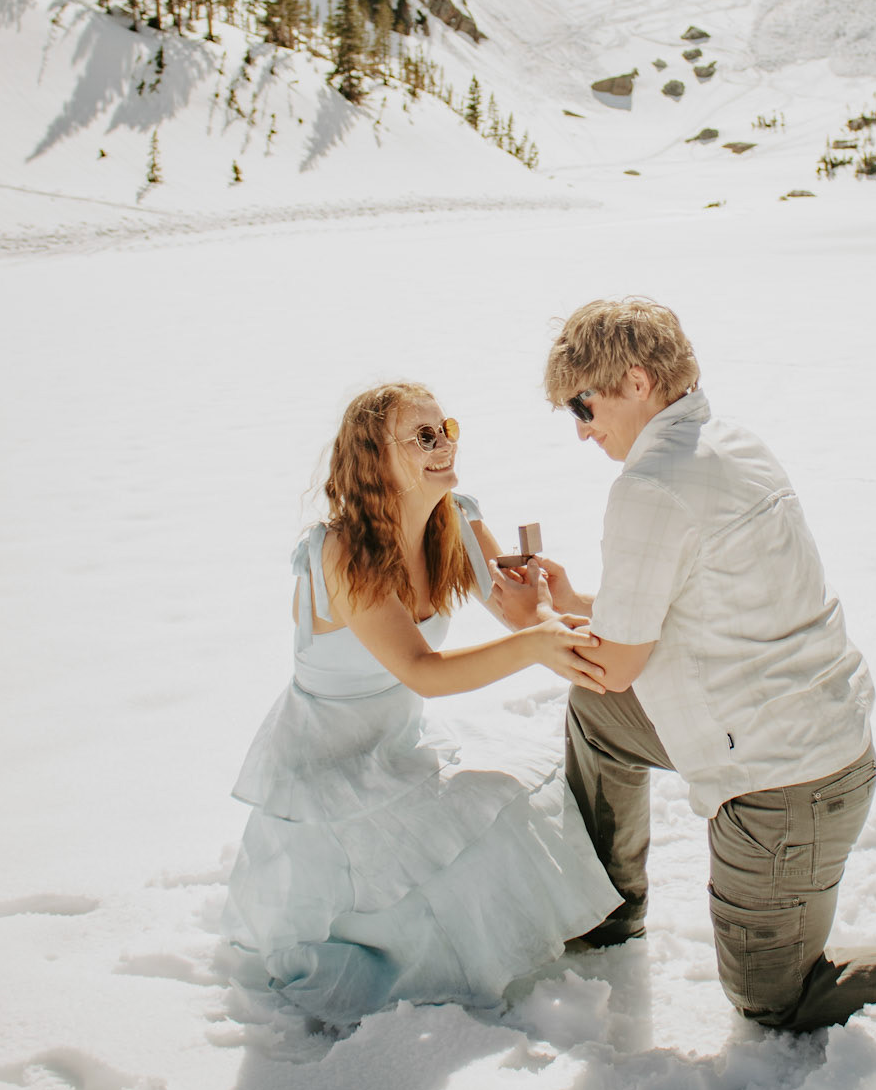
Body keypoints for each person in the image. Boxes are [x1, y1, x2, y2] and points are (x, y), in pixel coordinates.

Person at [489, 298, 876, 1035]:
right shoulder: (729, 444)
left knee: (773, 998)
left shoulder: (649, 485)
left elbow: (618, 666)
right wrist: (570, 603)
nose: (581, 429)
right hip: (814, 745)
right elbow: (680, 610)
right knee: (600, 718)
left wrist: (530, 626)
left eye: (583, 404)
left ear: (635, 381)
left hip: (784, 789)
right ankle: (607, 914)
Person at [221, 381, 619, 1031]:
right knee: (441, 875)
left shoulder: (455, 517)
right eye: (424, 436)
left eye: (447, 429)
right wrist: (536, 645)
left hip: (399, 737)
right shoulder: (343, 550)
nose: (444, 445)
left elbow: (520, 615)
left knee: (522, 795)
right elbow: (422, 672)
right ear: (375, 459)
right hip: (327, 761)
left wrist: (560, 614)